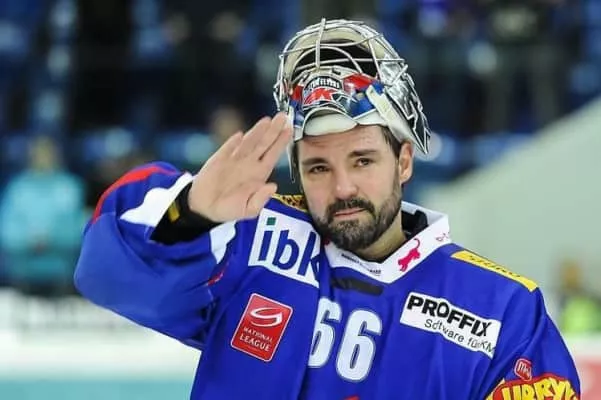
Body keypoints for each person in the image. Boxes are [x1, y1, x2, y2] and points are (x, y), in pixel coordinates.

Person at [74, 19, 580, 399]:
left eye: (362, 160)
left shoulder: (501, 311)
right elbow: (106, 273)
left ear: (404, 161)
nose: (342, 188)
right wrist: (193, 213)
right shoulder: (248, 239)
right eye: (318, 168)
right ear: (296, 172)